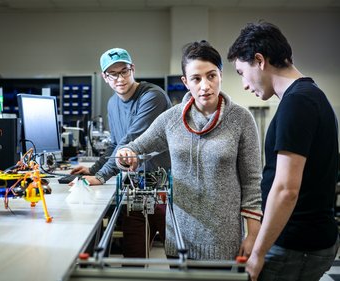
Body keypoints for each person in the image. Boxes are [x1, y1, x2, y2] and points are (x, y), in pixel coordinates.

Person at [116, 40, 262, 260]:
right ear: (185, 82)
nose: (205, 85)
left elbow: (252, 182)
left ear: (221, 75)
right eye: (196, 78)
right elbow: (135, 148)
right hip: (180, 241)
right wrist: (125, 155)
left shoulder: (241, 120)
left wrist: (253, 236)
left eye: (211, 76)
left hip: (224, 244)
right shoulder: (171, 119)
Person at [227, 21, 339, 281]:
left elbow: (287, 189)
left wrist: (258, 252)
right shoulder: (310, 96)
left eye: (242, 72)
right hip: (304, 241)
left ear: (259, 60)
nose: (244, 84)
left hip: (295, 246)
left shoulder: (297, 102)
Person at [71, 47, 172, 258]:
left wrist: (101, 176)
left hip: (164, 188)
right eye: (113, 74)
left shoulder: (152, 96)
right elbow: (115, 143)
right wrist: (93, 169)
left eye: (124, 71)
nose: (120, 78)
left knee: (178, 257)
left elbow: (130, 141)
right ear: (104, 77)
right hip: (136, 188)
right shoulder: (112, 103)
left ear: (133, 69)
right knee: (133, 259)